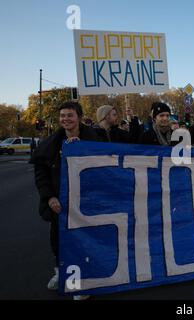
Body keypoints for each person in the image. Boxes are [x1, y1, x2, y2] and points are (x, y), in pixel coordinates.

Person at [30, 101, 99, 300]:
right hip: (59, 203)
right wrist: (49, 197)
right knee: (58, 238)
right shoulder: (50, 143)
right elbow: (41, 173)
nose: (65, 119)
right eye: (62, 116)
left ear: (79, 117)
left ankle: (83, 282)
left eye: (70, 115)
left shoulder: (94, 139)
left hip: (87, 202)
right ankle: (61, 272)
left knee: (85, 240)